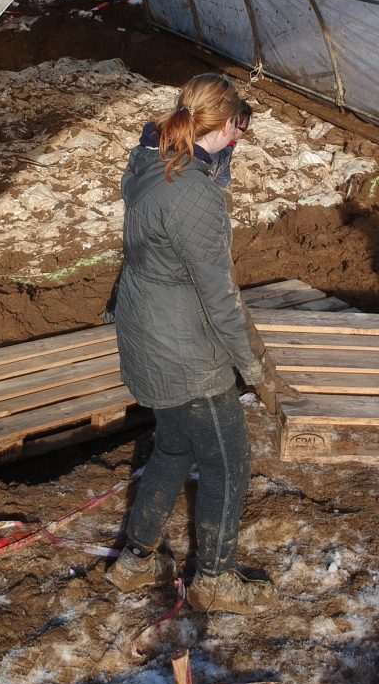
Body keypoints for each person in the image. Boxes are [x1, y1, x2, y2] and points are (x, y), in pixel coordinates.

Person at [104, 74, 276, 615]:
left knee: (175, 446)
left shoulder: (152, 156)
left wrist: (214, 158)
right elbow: (220, 297)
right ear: (226, 126)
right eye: (238, 129)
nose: (241, 138)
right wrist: (255, 367)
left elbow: (183, 169)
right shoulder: (195, 197)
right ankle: (215, 579)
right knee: (229, 463)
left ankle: (136, 559)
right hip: (183, 348)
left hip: (143, 328)